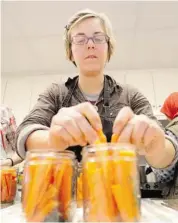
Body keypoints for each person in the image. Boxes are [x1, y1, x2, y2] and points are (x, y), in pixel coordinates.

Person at [16, 9, 178, 184]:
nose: (90, 44)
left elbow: (165, 150)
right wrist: (51, 140)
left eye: (98, 38)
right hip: (65, 199)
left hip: (117, 198)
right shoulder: (55, 93)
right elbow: (25, 132)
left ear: (109, 48)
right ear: (70, 51)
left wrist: (157, 147)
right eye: (80, 39)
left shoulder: (131, 95)